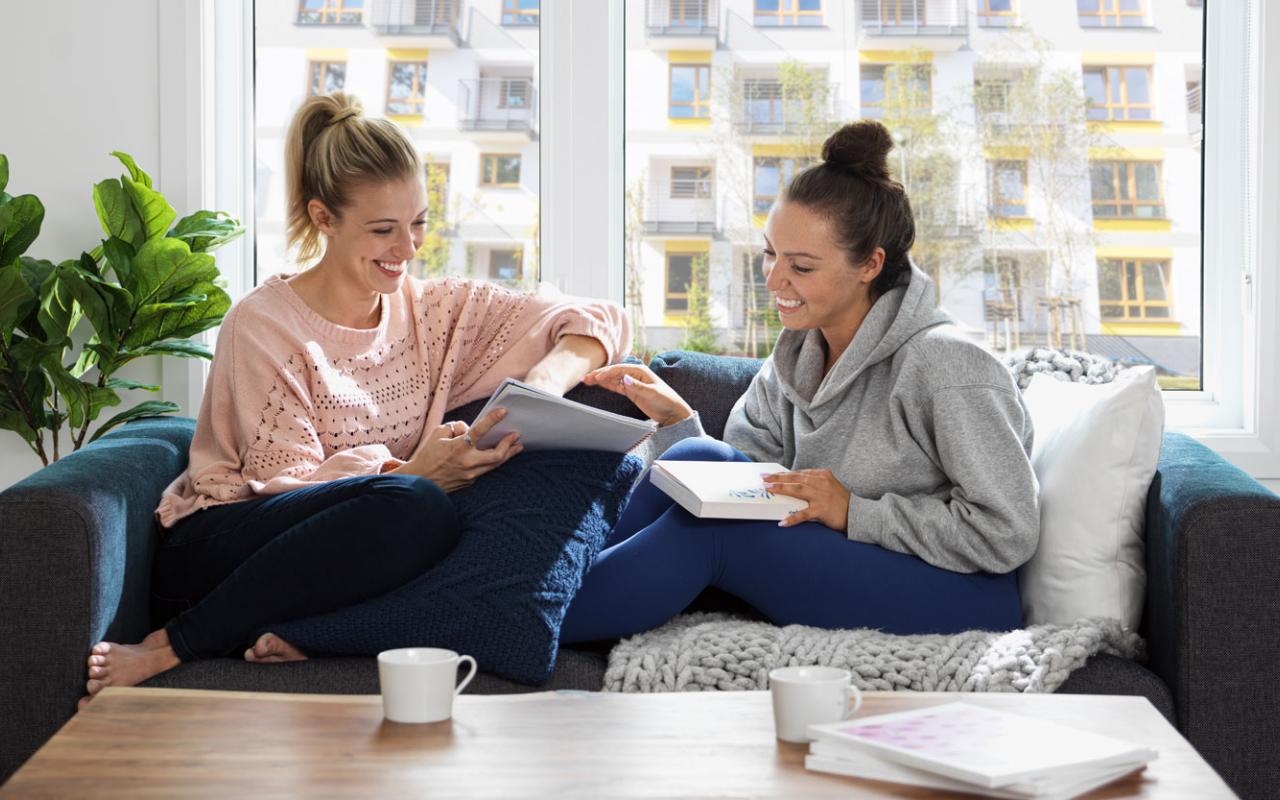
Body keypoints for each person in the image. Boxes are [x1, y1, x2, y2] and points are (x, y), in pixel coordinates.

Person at [82, 92, 629, 701]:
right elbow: (281, 484)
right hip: (226, 546)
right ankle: (170, 645)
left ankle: (318, 630)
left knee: (434, 513)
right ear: (323, 218)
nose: (408, 248)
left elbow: (596, 318)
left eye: (418, 222)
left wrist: (542, 387)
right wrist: (415, 471)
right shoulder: (263, 325)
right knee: (415, 507)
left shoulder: (430, 309)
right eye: (383, 230)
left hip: (361, 541)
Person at [560, 120, 1039, 644]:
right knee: (692, 460)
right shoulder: (798, 352)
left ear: (870, 265)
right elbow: (740, 484)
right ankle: (539, 585)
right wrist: (679, 425)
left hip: (959, 595)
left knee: (714, 536)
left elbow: (1005, 532)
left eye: (802, 267)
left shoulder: (950, 368)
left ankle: (522, 620)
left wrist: (855, 511)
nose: (773, 279)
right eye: (770, 254)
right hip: (845, 563)